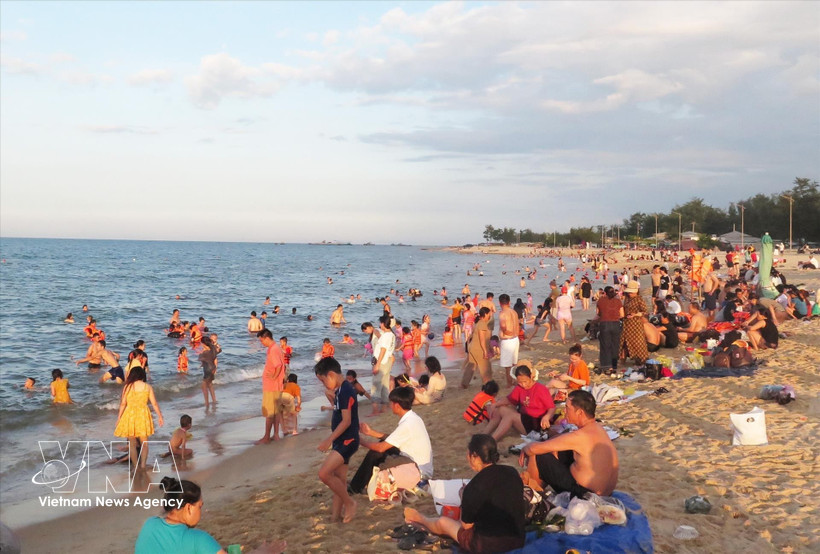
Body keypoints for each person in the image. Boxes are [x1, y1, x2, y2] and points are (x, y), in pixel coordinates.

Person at [404, 434, 525, 553]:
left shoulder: (474, 487)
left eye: (468, 454)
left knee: (443, 522)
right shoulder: (512, 472)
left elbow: (466, 527)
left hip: (489, 545)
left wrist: (463, 499)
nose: (467, 458)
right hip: (518, 538)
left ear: (475, 456)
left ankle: (419, 518)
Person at [135, 477, 286, 554]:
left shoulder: (149, 524)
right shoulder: (198, 539)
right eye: (200, 506)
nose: (201, 512)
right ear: (188, 508)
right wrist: (263, 552)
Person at [519, 390, 618, 497]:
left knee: (538, 455)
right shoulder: (598, 428)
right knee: (554, 450)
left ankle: (533, 496)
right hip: (604, 493)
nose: (564, 411)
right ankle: (534, 489)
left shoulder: (579, 436)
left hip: (586, 496)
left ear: (580, 412)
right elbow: (560, 440)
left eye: (567, 408)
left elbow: (534, 449)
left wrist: (525, 448)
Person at [349, 386, 433, 494]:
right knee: (381, 448)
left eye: (391, 403)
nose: (390, 406)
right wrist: (370, 433)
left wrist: (360, 441)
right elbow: (394, 438)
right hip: (418, 463)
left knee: (376, 452)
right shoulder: (413, 418)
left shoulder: (407, 424)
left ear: (397, 405)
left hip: (418, 468)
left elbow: (381, 448)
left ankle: (354, 488)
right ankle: (359, 483)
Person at [314, 357, 359, 523]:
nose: (324, 384)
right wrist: (332, 399)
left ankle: (350, 502)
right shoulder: (341, 390)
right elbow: (341, 411)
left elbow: (346, 421)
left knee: (324, 474)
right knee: (339, 480)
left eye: (323, 380)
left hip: (347, 440)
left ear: (331, 375)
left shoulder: (346, 390)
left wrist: (328, 440)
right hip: (343, 440)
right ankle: (335, 517)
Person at [484, 364, 555, 442]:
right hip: (524, 418)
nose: (523, 384)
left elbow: (551, 407)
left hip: (536, 423)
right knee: (500, 409)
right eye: (520, 382)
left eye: (525, 381)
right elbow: (510, 399)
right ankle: (484, 435)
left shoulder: (540, 389)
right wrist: (495, 404)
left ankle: (491, 441)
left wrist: (547, 417)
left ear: (531, 377)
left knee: (510, 416)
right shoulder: (519, 388)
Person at [114, 367, 163, 469]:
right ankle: (143, 466)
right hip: (143, 415)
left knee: (132, 444)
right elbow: (154, 403)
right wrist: (160, 416)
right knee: (144, 443)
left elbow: (123, 404)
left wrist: (119, 418)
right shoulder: (147, 387)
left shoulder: (127, 387)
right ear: (142, 375)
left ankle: (136, 466)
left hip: (130, 415)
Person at [257, 329, 285, 443]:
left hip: (271, 386)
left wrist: (273, 376)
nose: (261, 343)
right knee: (276, 410)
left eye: (261, 340)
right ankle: (276, 434)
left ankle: (267, 437)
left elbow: (278, 366)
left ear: (267, 338)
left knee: (269, 412)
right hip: (277, 385)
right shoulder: (277, 348)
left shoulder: (272, 349)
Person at [461, 307, 492, 388]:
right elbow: (482, 339)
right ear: (485, 314)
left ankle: (464, 384)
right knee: (485, 368)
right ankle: (487, 384)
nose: (490, 315)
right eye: (489, 314)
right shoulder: (482, 324)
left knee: (471, 367)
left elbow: (471, 337)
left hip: (473, 348)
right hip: (479, 349)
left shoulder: (478, 323)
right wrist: (485, 351)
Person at [371, 315, 395, 415]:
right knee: (385, 385)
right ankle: (384, 408)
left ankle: (375, 410)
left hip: (382, 362)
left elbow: (383, 350)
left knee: (376, 385)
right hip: (388, 361)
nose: (380, 325)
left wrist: (377, 365)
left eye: (380, 323)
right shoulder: (391, 335)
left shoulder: (386, 336)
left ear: (383, 324)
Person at [620, 281, 649, 365]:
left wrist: (635, 314)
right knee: (624, 343)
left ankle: (640, 360)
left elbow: (645, 312)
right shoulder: (627, 298)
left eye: (631, 292)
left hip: (635, 324)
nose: (629, 294)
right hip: (626, 323)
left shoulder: (639, 299)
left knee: (638, 343)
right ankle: (622, 361)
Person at [595, 286, 623, 374]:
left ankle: (607, 365)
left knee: (605, 345)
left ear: (605, 293)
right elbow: (622, 314)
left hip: (605, 323)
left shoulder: (600, 301)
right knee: (615, 344)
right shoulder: (618, 301)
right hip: (615, 324)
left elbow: (598, 313)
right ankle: (614, 365)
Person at [497, 294, 520, 387]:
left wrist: (505, 333)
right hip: (515, 339)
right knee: (514, 362)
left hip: (508, 340)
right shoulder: (513, 312)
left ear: (499, 303)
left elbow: (503, 326)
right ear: (509, 302)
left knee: (507, 365)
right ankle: (515, 380)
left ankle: (509, 383)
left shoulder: (503, 313)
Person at [199, 337, 218, 408]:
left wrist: (201, 353)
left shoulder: (205, 352)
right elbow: (219, 351)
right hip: (213, 368)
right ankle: (214, 400)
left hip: (207, 369)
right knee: (210, 385)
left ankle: (206, 403)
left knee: (204, 386)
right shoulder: (213, 349)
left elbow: (200, 358)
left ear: (203, 343)